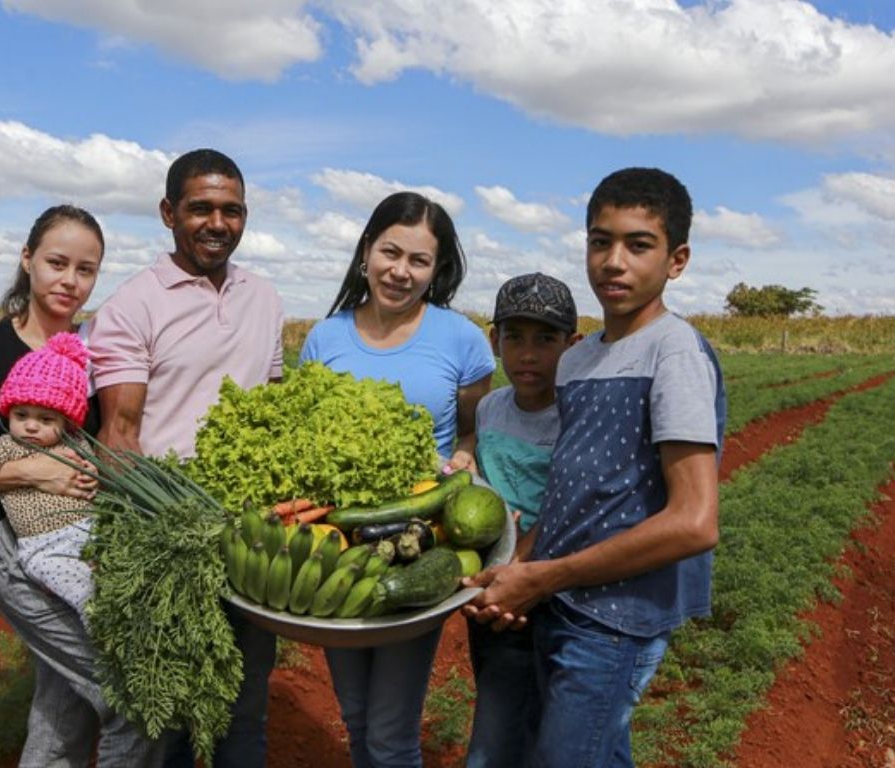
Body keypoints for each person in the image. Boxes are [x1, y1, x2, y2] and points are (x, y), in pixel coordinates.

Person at [464, 167, 726, 768]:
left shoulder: (674, 352)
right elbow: (568, 495)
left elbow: (694, 522)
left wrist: (545, 577)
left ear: (676, 259)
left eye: (639, 245)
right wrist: (513, 572)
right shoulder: (579, 360)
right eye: (600, 241)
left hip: (616, 618)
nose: (614, 261)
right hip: (562, 601)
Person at [0, 205, 164, 767]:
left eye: (86, 270)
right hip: (21, 550)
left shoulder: (94, 353)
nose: (70, 281)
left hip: (88, 545)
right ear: (27, 259)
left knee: (62, 709)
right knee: (128, 696)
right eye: (57, 263)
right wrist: (30, 471)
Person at [87, 148, 284, 768]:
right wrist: (176, 536)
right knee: (168, 721)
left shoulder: (265, 299)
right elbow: (120, 437)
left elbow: (274, 409)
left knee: (244, 710)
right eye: (201, 209)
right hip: (169, 540)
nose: (217, 223)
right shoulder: (132, 305)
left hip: (252, 538)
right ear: (169, 213)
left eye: (232, 210)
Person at [300, 191, 495, 768]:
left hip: (417, 543)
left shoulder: (461, 340)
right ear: (366, 251)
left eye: (419, 261)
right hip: (338, 541)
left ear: (437, 271)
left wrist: (463, 460)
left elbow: (470, 433)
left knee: (390, 732)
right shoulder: (325, 338)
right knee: (356, 717)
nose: (401, 271)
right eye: (391, 252)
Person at [458, 273, 579, 768]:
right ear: (495, 341)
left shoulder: (577, 415)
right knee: (498, 701)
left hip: (551, 592)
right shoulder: (489, 408)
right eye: (515, 338)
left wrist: (523, 564)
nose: (528, 354)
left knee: (524, 732)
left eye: (545, 340)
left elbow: (571, 506)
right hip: (491, 595)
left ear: (571, 346)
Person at [0, 331, 97, 623]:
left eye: (46, 420)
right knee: (85, 594)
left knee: (114, 578)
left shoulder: (75, 442)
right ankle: (106, 633)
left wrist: (92, 474)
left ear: (66, 423)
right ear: (9, 412)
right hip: (45, 549)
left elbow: (93, 468)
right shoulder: (6, 447)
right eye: (21, 415)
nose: (31, 426)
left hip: (91, 534)